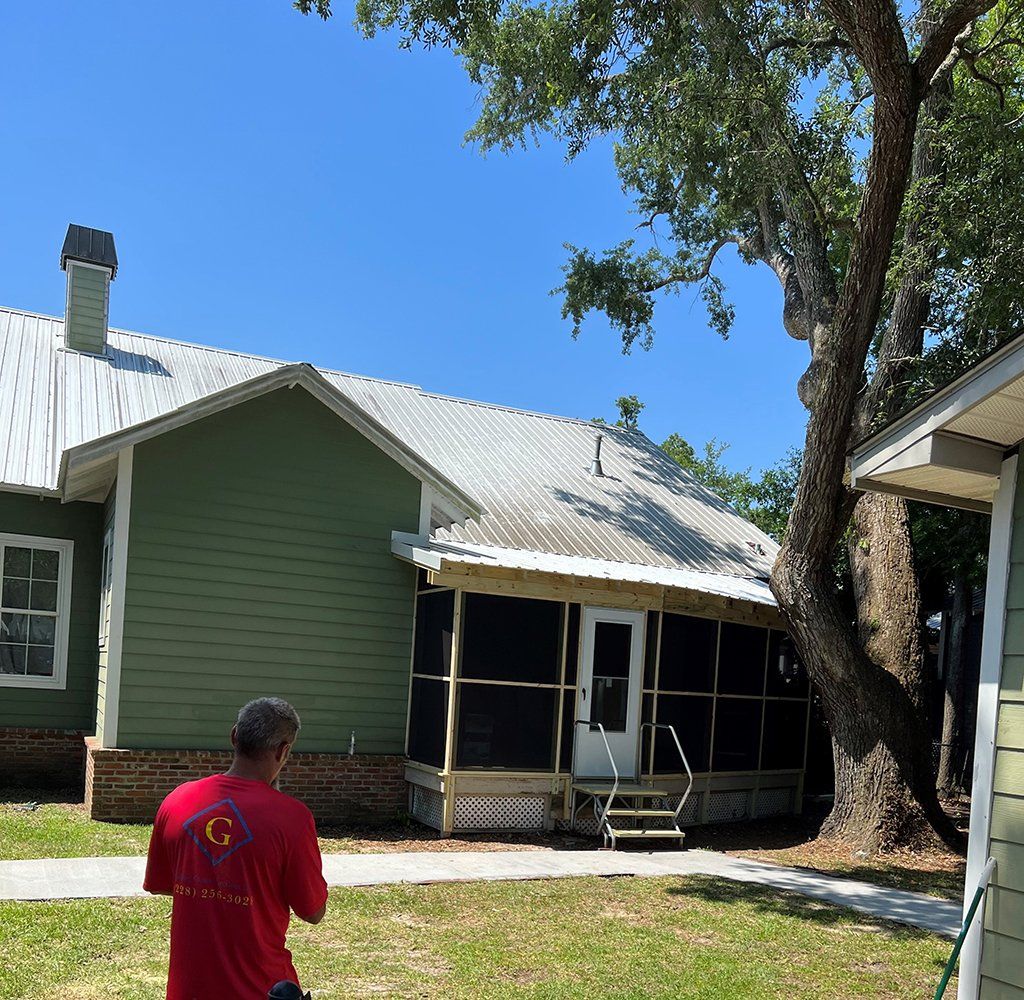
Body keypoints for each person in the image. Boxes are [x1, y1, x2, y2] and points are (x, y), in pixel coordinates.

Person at [144, 697, 328, 1000]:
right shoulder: (292, 818)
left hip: (187, 990)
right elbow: (313, 911)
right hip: (262, 990)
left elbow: (163, 884)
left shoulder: (176, 801)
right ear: (283, 751)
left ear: (234, 736)